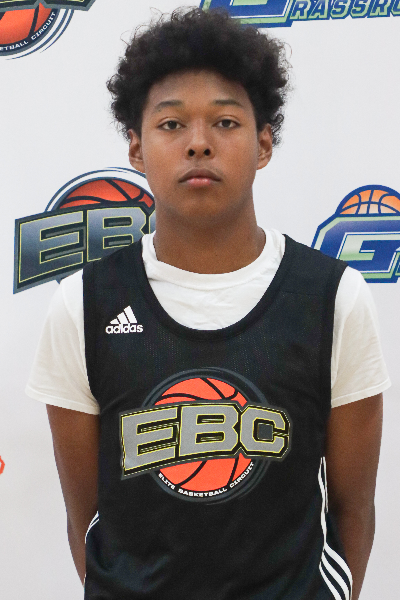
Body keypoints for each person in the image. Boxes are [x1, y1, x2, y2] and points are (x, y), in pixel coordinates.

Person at [26, 8, 390, 600]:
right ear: (137, 148)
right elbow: (87, 519)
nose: (198, 143)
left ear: (263, 143)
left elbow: (355, 509)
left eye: (225, 121)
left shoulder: (332, 297)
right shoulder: (85, 305)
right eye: (172, 125)